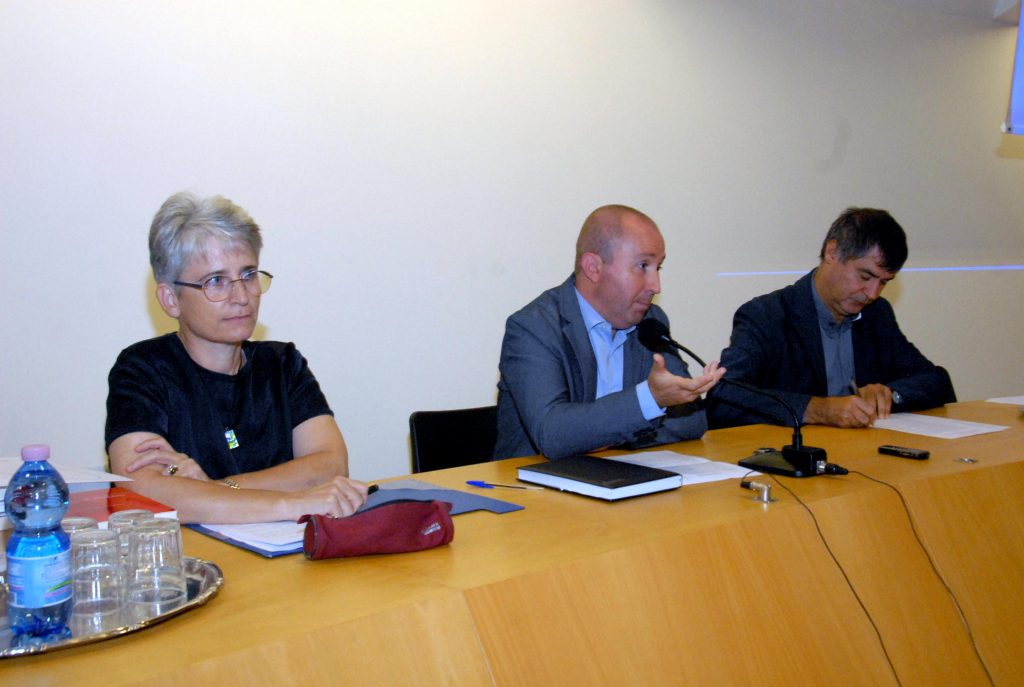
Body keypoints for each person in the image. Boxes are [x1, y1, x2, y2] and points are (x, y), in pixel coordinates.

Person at [105, 192, 369, 523]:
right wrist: (291, 503)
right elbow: (141, 492)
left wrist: (215, 489)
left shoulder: (283, 364)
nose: (242, 296)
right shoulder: (142, 370)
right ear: (171, 299)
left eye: (248, 275)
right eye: (216, 281)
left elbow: (330, 466)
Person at [494, 204, 725, 460]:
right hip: (535, 482)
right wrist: (648, 401)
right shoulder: (534, 327)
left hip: (624, 477)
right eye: (642, 266)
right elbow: (552, 434)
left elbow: (691, 421)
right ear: (593, 267)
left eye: (657, 268)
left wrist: (600, 435)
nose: (655, 286)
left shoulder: (651, 322)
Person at [707, 207, 956, 429]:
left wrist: (891, 394)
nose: (872, 293)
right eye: (865, 276)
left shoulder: (877, 314)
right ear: (832, 252)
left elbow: (937, 382)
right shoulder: (767, 315)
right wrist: (816, 409)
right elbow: (724, 398)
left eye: (884, 282)